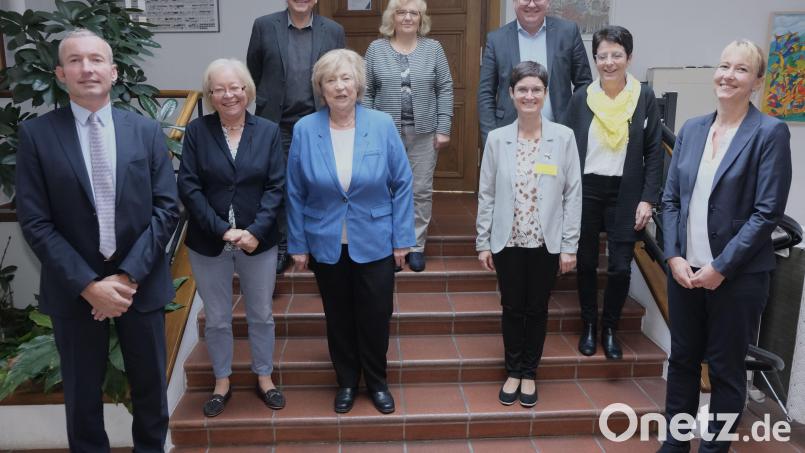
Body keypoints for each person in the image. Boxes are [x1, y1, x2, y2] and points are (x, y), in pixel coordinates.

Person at [15, 29, 180, 452]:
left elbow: (167, 208)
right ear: (60, 73)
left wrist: (125, 278)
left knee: (149, 394)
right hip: (74, 291)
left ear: (113, 70)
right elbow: (35, 221)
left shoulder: (144, 131)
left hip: (138, 287)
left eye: (95, 59)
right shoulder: (37, 136)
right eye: (74, 60)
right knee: (82, 398)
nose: (86, 68)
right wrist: (89, 286)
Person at [660, 39, 792, 452]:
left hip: (737, 278)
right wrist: (674, 255)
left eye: (740, 69)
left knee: (725, 370)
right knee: (681, 362)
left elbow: (766, 212)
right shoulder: (692, 129)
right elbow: (669, 201)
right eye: (723, 66)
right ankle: (675, 445)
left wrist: (721, 267)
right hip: (685, 272)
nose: (728, 75)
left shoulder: (769, 132)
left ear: (756, 81)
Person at [286, 49, 414, 415]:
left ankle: (376, 382)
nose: (340, 87)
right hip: (325, 239)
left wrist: (402, 239)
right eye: (331, 80)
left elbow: (403, 183)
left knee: (375, 315)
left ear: (358, 84)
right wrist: (297, 242)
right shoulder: (305, 130)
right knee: (338, 316)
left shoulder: (381, 124)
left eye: (346, 79)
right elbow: (294, 191)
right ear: (321, 89)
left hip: (375, 238)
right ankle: (345, 381)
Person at [177, 59, 286, 416]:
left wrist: (255, 232)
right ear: (210, 95)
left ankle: (264, 376)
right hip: (210, 241)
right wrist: (222, 229)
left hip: (259, 242)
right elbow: (189, 188)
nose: (229, 95)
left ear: (247, 91)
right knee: (219, 318)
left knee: (261, 314)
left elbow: (276, 187)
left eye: (235, 87)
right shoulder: (196, 132)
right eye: (219, 89)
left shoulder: (268, 131)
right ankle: (222, 380)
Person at [476, 61, 581, 407]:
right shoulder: (497, 139)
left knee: (536, 309)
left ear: (546, 94)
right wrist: (483, 240)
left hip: (545, 242)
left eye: (536, 89)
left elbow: (572, 194)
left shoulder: (563, 138)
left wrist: (569, 246)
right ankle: (513, 369)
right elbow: (487, 192)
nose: (529, 95)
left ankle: (529, 373)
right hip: (508, 240)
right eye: (522, 89)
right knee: (511, 306)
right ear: (511, 94)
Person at [562, 26, 662, 359]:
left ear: (629, 58)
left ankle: (610, 328)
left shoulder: (643, 97)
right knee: (587, 262)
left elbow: (654, 151)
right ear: (595, 59)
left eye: (616, 55)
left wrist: (648, 198)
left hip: (626, 190)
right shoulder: (582, 98)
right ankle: (589, 324)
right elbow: (566, 147)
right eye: (602, 56)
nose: (609, 62)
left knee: (620, 266)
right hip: (587, 188)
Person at [247, 0, 346, 274]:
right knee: (277, 186)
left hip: (319, 122)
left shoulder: (333, 30)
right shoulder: (264, 26)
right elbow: (253, 70)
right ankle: (282, 245)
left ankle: (315, 245)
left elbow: (340, 71)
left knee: (318, 183)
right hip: (276, 124)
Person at [364, 0, 453, 272]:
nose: (407, 18)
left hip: (424, 133)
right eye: (401, 12)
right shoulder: (376, 49)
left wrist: (444, 126)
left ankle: (415, 245)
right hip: (385, 134)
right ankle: (392, 246)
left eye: (413, 13)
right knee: (384, 188)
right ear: (392, 17)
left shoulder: (433, 48)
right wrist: (367, 129)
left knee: (420, 190)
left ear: (421, 18)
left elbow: (445, 88)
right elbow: (366, 91)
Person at [478, 0, 592, 145]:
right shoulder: (496, 40)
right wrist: (491, 139)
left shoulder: (568, 32)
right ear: (514, 2)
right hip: (509, 137)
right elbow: (485, 93)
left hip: (558, 135)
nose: (531, 5)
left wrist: (575, 125)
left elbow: (584, 84)